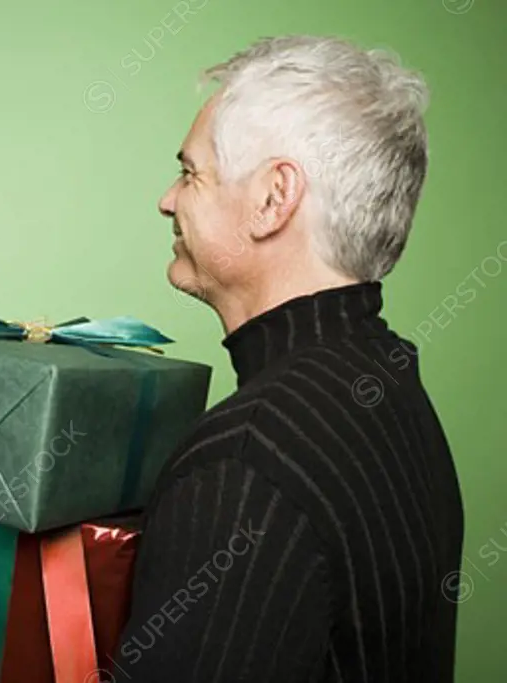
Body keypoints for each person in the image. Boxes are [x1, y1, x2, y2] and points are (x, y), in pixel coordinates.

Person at [112, 35, 465, 682]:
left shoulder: (244, 461)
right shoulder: (391, 382)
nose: (168, 198)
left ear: (274, 198)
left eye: (191, 172)